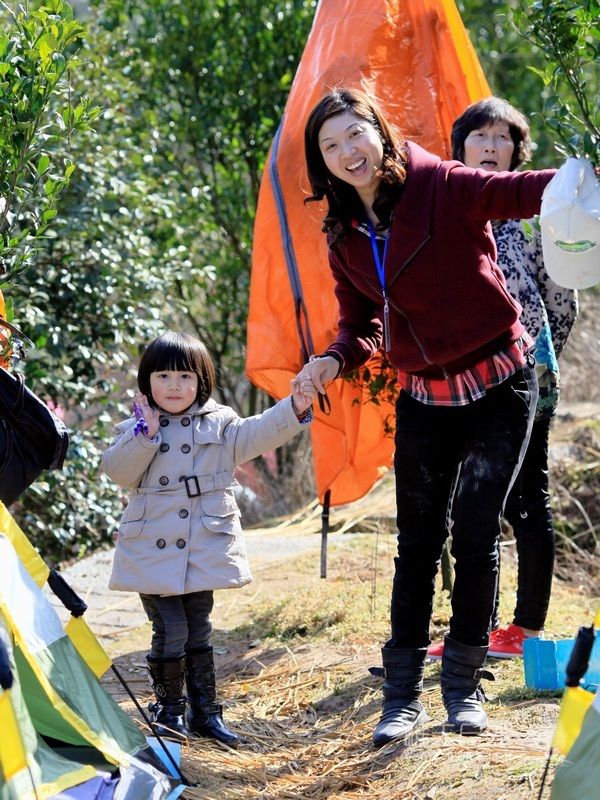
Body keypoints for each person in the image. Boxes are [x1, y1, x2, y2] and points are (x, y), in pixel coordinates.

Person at [297, 87, 557, 743]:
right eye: (330, 145)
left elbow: (522, 191)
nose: (348, 152)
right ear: (322, 162)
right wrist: (330, 360)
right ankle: (401, 697)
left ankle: (463, 689)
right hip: (423, 396)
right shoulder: (344, 236)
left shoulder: (442, 183)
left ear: (379, 131)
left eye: (355, 134)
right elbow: (360, 325)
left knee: (476, 530)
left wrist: (586, 180)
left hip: (499, 382)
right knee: (417, 545)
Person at [102, 331, 314, 745]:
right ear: (147, 381)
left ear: (202, 381)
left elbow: (260, 431)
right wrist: (145, 434)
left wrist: (295, 406)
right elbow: (118, 472)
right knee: (172, 629)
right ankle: (169, 709)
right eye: (163, 376)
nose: (174, 386)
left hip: (201, 543)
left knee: (199, 628)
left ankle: (205, 712)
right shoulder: (135, 427)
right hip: (152, 548)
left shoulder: (221, 424)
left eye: (185, 376)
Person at [427, 98, 578, 662]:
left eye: (503, 138)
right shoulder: (445, 206)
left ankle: (526, 628)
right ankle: (476, 627)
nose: (491, 147)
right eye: (480, 136)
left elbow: (562, 297)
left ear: (517, 151)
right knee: (469, 498)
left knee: (525, 496)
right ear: (460, 146)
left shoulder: (532, 214)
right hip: (460, 376)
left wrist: (541, 356)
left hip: (526, 370)